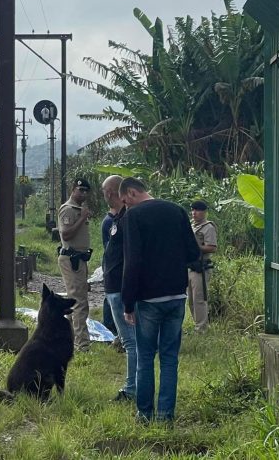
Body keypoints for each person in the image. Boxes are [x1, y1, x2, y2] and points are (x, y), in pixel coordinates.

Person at [119, 177, 200, 422]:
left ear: (132, 193)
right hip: (176, 296)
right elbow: (193, 253)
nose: (126, 207)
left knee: (145, 358)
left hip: (148, 300)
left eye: (125, 201)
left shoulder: (133, 217)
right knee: (169, 359)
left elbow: (132, 262)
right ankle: (165, 416)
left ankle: (144, 414)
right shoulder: (177, 211)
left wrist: (128, 302)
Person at [101, 175, 136, 401]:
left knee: (131, 342)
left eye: (106, 193)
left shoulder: (128, 219)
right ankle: (135, 385)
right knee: (132, 341)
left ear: (112, 193)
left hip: (121, 289)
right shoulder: (115, 219)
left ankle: (132, 388)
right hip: (117, 287)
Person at [57, 178, 93, 351]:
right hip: (71, 259)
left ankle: (70, 339)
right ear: (73, 190)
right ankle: (82, 344)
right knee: (80, 302)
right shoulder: (69, 210)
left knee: (77, 299)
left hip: (80, 260)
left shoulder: (79, 209)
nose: (83, 194)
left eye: (86, 191)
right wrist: (82, 218)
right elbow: (66, 235)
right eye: (80, 190)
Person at [187, 200, 217, 332]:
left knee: (199, 299)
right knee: (191, 300)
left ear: (204, 212)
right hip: (190, 266)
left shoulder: (208, 227)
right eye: (193, 210)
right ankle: (197, 325)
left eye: (197, 210)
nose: (194, 213)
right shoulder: (192, 226)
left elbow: (212, 247)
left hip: (201, 267)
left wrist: (196, 247)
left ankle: (201, 328)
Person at [100, 204, 118, 337]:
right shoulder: (109, 221)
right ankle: (109, 326)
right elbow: (109, 247)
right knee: (110, 296)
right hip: (111, 262)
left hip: (113, 262)